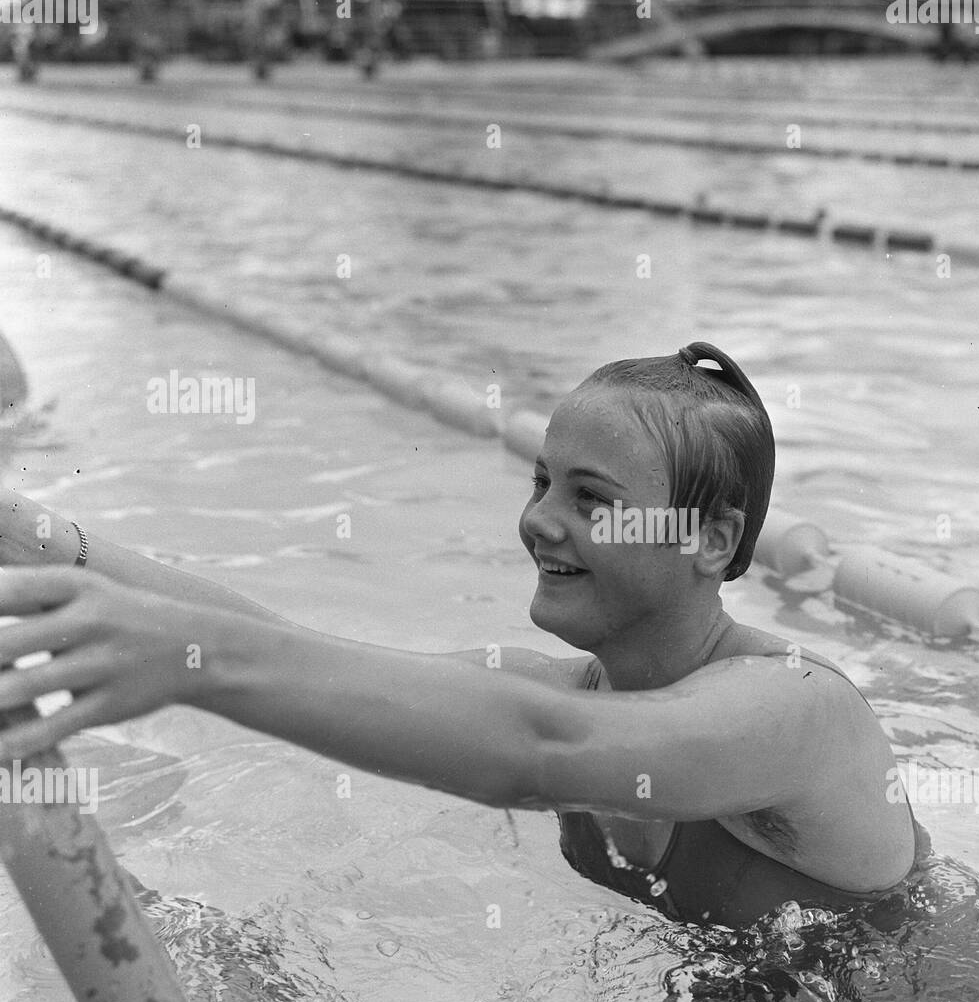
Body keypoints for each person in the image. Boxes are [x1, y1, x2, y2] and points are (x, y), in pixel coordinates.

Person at [0, 343, 925, 928]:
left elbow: (542, 754)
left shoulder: (797, 709)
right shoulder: (574, 694)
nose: (539, 522)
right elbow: (311, 653)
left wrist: (184, 663)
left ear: (710, 538)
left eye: (591, 499)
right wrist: (41, 541)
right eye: (541, 483)